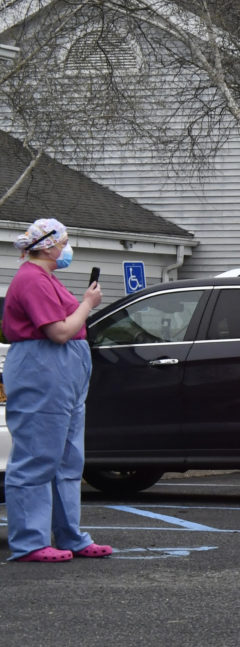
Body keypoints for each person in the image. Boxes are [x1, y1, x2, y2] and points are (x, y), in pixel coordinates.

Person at [4, 218, 112, 562]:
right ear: (48, 245)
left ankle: (70, 536)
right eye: (63, 241)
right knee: (37, 457)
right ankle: (29, 542)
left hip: (62, 374)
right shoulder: (32, 280)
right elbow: (60, 332)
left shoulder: (46, 278)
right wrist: (88, 303)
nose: (66, 248)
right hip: (43, 370)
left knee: (67, 459)